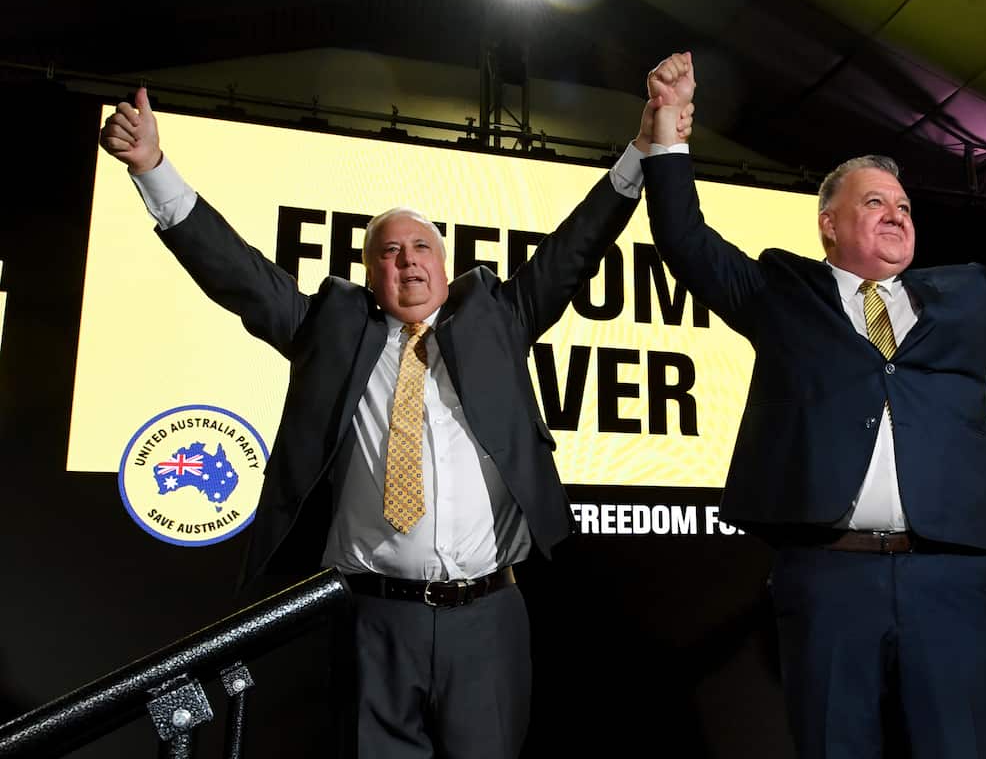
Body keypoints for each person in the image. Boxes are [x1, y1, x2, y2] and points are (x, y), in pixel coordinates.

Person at [639, 51, 986, 759]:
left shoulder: (967, 294)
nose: (896, 213)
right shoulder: (782, 293)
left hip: (948, 576)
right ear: (828, 225)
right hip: (826, 576)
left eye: (905, 206)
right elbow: (688, 244)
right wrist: (668, 132)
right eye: (874, 201)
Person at [98, 88, 690, 759]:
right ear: (369, 273)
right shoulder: (332, 332)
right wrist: (153, 169)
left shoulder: (499, 321)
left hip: (489, 620)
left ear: (443, 263)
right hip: (372, 621)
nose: (408, 259)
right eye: (389, 251)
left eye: (420, 247)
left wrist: (640, 151)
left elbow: (574, 250)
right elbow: (240, 276)